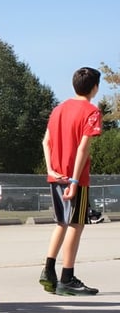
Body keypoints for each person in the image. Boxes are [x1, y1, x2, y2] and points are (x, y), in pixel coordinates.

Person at [38, 67, 102, 296]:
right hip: (76, 178)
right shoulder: (91, 111)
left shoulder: (58, 109)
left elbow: (46, 141)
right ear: (95, 87)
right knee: (76, 224)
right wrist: (74, 180)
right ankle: (67, 277)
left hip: (56, 176)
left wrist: (51, 170)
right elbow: (83, 147)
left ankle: (48, 269)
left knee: (61, 223)